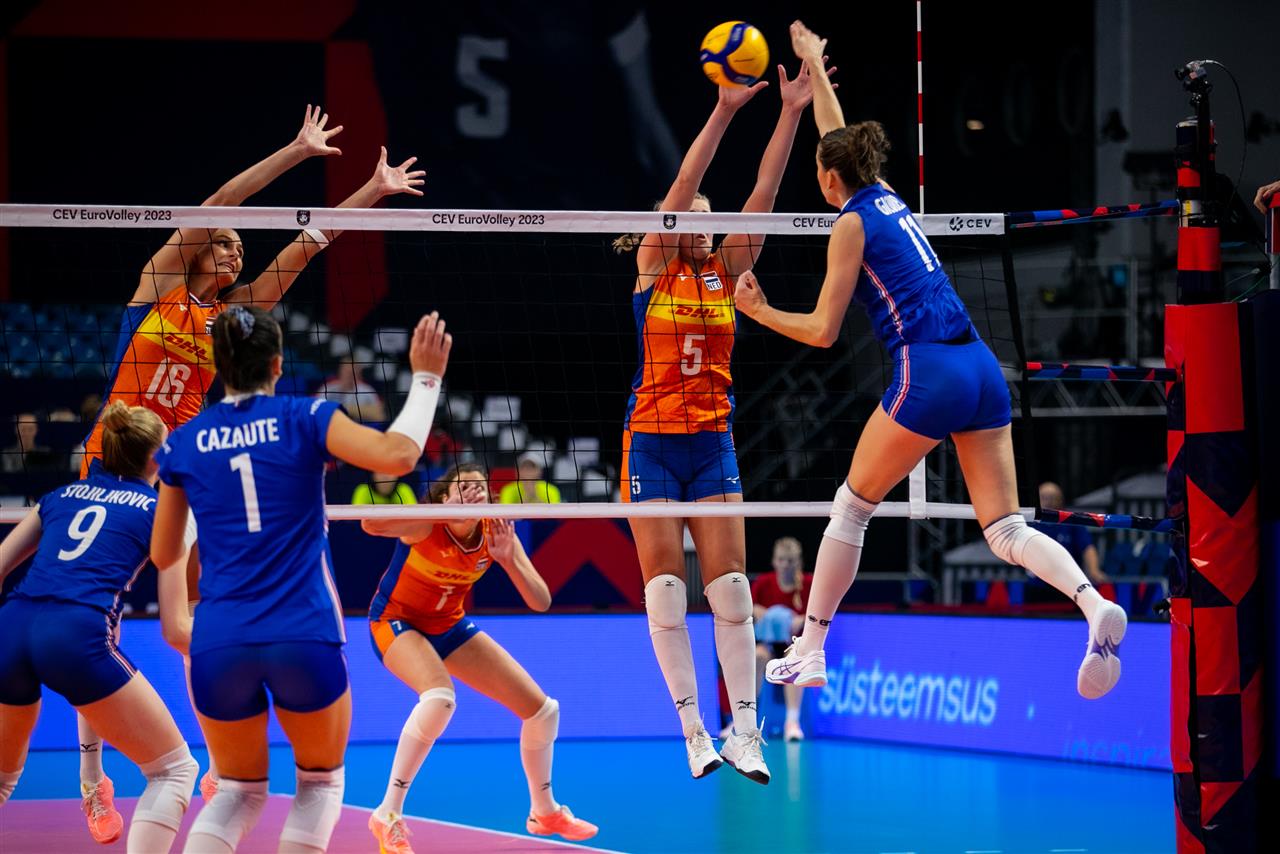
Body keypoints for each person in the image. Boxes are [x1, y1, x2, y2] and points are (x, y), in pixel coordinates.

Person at [741, 21, 1128, 702]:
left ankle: (810, 648)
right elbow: (837, 135)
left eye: (820, 170)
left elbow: (824, 332)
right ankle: (1093, 603)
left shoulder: (850, 223)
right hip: (981, 366)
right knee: (1005, 528)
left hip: (928, 373)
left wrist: (761, 310)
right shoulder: (885, 194)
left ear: (829, 178)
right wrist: (814, 64)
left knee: (851, 508)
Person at [70, 106, 425, 829]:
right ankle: (92, 777)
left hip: (180, 474)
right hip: (109, 460)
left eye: (239, 249)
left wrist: (371, 190)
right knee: (92, 613)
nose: (233, 252)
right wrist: (297, 151)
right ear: (200, 249)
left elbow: (307, 246)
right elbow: (222, 202)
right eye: (225, 245)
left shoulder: (235, 320)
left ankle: (218, 756)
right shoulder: (158, 287)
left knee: (198, 620)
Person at [149, 306, 451, 853]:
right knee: (319, 784)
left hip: (221, 639)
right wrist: (426, 377)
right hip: (302, 632)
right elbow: (399, 456)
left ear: (218, 366)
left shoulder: (183, 443)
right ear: (277, 364)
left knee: (236, 793)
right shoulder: (305, 417)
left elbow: (165, 552)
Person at [613, 56, 833, 785]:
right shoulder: (655, 266)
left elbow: (764, 191)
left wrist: (791, 111)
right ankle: (692, 732)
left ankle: (746, 732)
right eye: (696, 220)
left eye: (714, 220)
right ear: (676, 226)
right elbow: (682, 186)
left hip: (711, 443)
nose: (708, 227)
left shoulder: (726, 269)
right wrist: (724, 110)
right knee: (665, 594)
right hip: (650, 445)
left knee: (732, 591)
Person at [361, 464, 597, 851]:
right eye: (463, 486)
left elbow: (540, 600)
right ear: (444, 496)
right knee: (439, 699)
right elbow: (369, 524)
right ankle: (387, 813)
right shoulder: (425, 524)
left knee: (543, 711)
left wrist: (509, 559)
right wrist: (439, 513)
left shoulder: (494, 530)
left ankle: (545, 812)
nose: (474, 491)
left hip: (448, 625)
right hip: (396, 621)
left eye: (480, 487)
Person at [0, 402, 199, 852]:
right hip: (74, 636)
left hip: (11, 626)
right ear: (157, 459)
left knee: (2, 780)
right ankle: (92, 780)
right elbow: (177, 629)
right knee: (174, 771)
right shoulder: (164, 513)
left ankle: (92, 779)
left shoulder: (60, 495)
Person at [749, 537, 813, 742]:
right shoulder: (763, 583)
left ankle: (792, 722)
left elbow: (820, 613)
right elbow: (748, 609)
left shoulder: (809, 584)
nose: (785, 565)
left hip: (795, 645)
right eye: (781, 560)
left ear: (798, 562)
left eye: (790, 560)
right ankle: (746, 721)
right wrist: (756, 610)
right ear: (774, 561)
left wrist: (803, 619)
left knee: (793, 661)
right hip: (768, 644)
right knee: (756, 657)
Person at [1031, 482, 1107, 590]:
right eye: (1043, 497)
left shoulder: (1071, 521)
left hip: (1069, 583)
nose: (1048, 502)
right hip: (1037, 583)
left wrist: (1094, 570)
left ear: (1060, 500)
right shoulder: (1030, 523)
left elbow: (1087, 547)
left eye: (1052, 498)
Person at [315, 360, 387, 423]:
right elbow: (317, 412)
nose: (349, 376)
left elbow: (380, 416)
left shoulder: (367, 390)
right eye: (347, 372)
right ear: (340, 372)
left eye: (353, 373)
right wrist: (362, 410)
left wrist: (343, 409)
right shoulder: (328, 389)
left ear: (359, 375)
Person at [352, 472, 419, 506]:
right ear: (373, 474)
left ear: (397, 475)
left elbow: (413, 517)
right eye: (381, 471)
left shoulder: (404, 490)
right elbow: (356, 519)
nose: (385, 476)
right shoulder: (362, 490)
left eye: (390, 472)